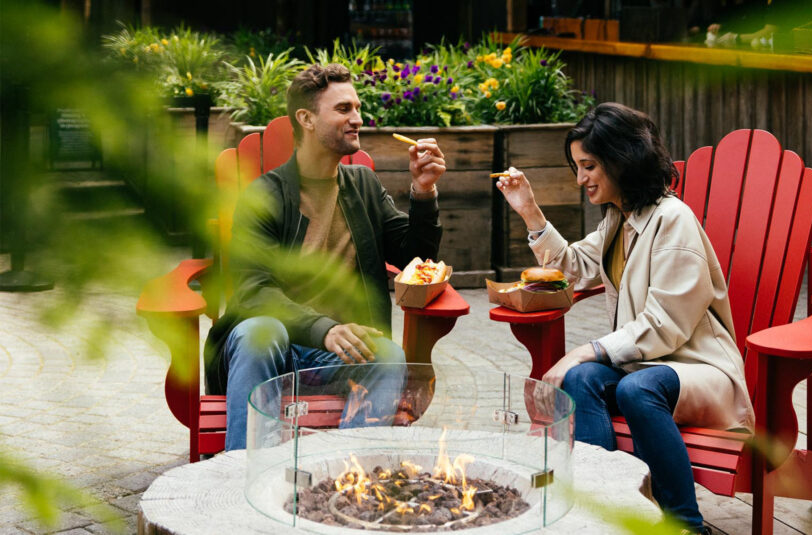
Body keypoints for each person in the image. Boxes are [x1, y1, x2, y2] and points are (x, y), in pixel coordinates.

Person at [496, 102, 754, 534]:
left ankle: (687, 524)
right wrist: (529, 210)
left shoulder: (673, 221)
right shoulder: (622, 218)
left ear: (621, 159)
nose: (580, 179)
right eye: (577, 167)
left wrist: (585, 350)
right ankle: (599, 511)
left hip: (698, 369)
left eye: (589, 166)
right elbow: (573, 267)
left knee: (634, 387)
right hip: (650, 366)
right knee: (582, 381)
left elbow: (665, 325)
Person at [204, 63, 447, 450]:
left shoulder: (363, 186)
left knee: (388, 354)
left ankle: (347, 473)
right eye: (343, 109)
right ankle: (242, 472)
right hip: (276, 353)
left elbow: (413, 259)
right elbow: (252, 291)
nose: (358, 119)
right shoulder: (263, 196)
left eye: (357, 108)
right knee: (257, 332)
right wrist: (325, 329)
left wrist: (423, 192)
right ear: (306, 119)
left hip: (341, 356)